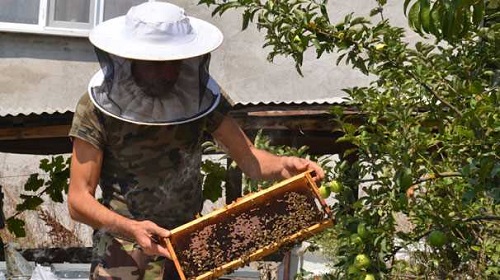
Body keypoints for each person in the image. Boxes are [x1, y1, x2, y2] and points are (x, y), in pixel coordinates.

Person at [67, 2, 325, 279]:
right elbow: (78, 199)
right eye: (157, 64)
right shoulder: (95, 108)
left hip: (186, 244)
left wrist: (286, 166)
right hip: (121, 249)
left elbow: (250, 159)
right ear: (132, 59)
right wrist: (131, 228)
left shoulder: (200, 97)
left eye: (174, 62)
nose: (167, 73)